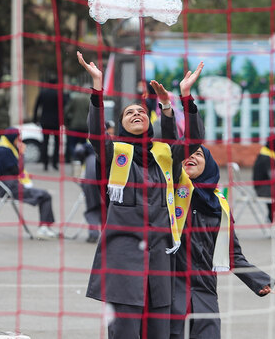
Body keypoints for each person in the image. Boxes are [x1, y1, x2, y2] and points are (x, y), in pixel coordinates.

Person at [78, 50, 205, 339]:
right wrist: (97, 87)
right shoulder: (113, 155)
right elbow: (96, 134)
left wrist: (182, 98)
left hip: (159, 261)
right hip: (124, 262)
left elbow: (192, 140)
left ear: (150, 121)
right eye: (129, 112)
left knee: (159, 333)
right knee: (125, 332)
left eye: (141, 112)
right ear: (120, 125)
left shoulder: (164, 157)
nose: (136, 113)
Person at [171, 145, 274, 339]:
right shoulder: (166, 196)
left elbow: (232, 253)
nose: (192, 157)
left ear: (208, 163)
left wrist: (257, 280)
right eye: (186, 154)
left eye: (198, 154)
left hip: (204, 290)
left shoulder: (219, 206)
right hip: (170, 291)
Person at [0, 129, 58, 239]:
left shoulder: (0, 148)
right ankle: (44, 228)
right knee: (46, 195)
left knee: (44, 195)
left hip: (5, 186)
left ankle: (45, 227)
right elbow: (18, 170)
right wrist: (21, 154)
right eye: (18, 138)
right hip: (11, 188)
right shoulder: (6, 151)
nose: (19, 140)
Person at [33, 76, 62, 171]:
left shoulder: (43, 93)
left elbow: (36, 106)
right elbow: (62, 108)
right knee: (57, 143)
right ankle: (55, 163)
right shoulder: (58, 94)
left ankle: (45, 163)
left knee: (45, 142)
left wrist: (35, 119)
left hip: (45, 121)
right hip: (56, 122)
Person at [64, 91, 89, 161]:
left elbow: (66, 111)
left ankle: (75, 157)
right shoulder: (88, 100)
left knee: (72, 144)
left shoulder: (75, 98)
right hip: (85, 126)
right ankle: (82, 159)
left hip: (74, 125)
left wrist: (66, 122)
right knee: (84, 144)